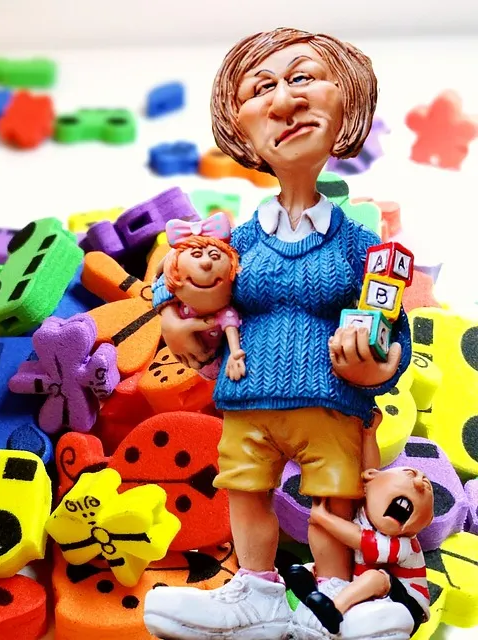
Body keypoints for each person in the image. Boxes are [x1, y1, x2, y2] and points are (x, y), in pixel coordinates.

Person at [143, 27, 413, 640]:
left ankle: (336, 597)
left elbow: (391, 326)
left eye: (303, 78)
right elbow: (182, 273)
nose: (285, 102)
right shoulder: (237, 240)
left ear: (346, 101)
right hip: (247, 398)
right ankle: (255, 594)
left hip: (331, 403)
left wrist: (379, 368)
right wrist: (167, 312)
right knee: (245, 491)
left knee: (331, 503)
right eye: (262, 88)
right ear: (240, 126)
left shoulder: (360, 245)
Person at [287, 410, 433, 638]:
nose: (419, 482)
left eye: (427, 487)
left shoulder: (405, 544)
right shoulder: (366, 510)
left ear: (423, 523)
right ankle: (314, 588)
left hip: (406, 604)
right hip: (361, 589)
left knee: (376, 578)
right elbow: (369, 472)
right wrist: (369, 434)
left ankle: (333, 609)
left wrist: (324, 517)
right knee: (318, 553)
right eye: (410, 473)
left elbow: (363, 541)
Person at [159, 211, 245, 381]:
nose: (206, 262)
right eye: (197, 255)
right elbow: (163, 273)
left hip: (216, 358)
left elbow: (230, 328)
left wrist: (235, 354)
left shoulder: (225, 313)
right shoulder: (243, 236)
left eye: (214, 256)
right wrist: (169, 318)